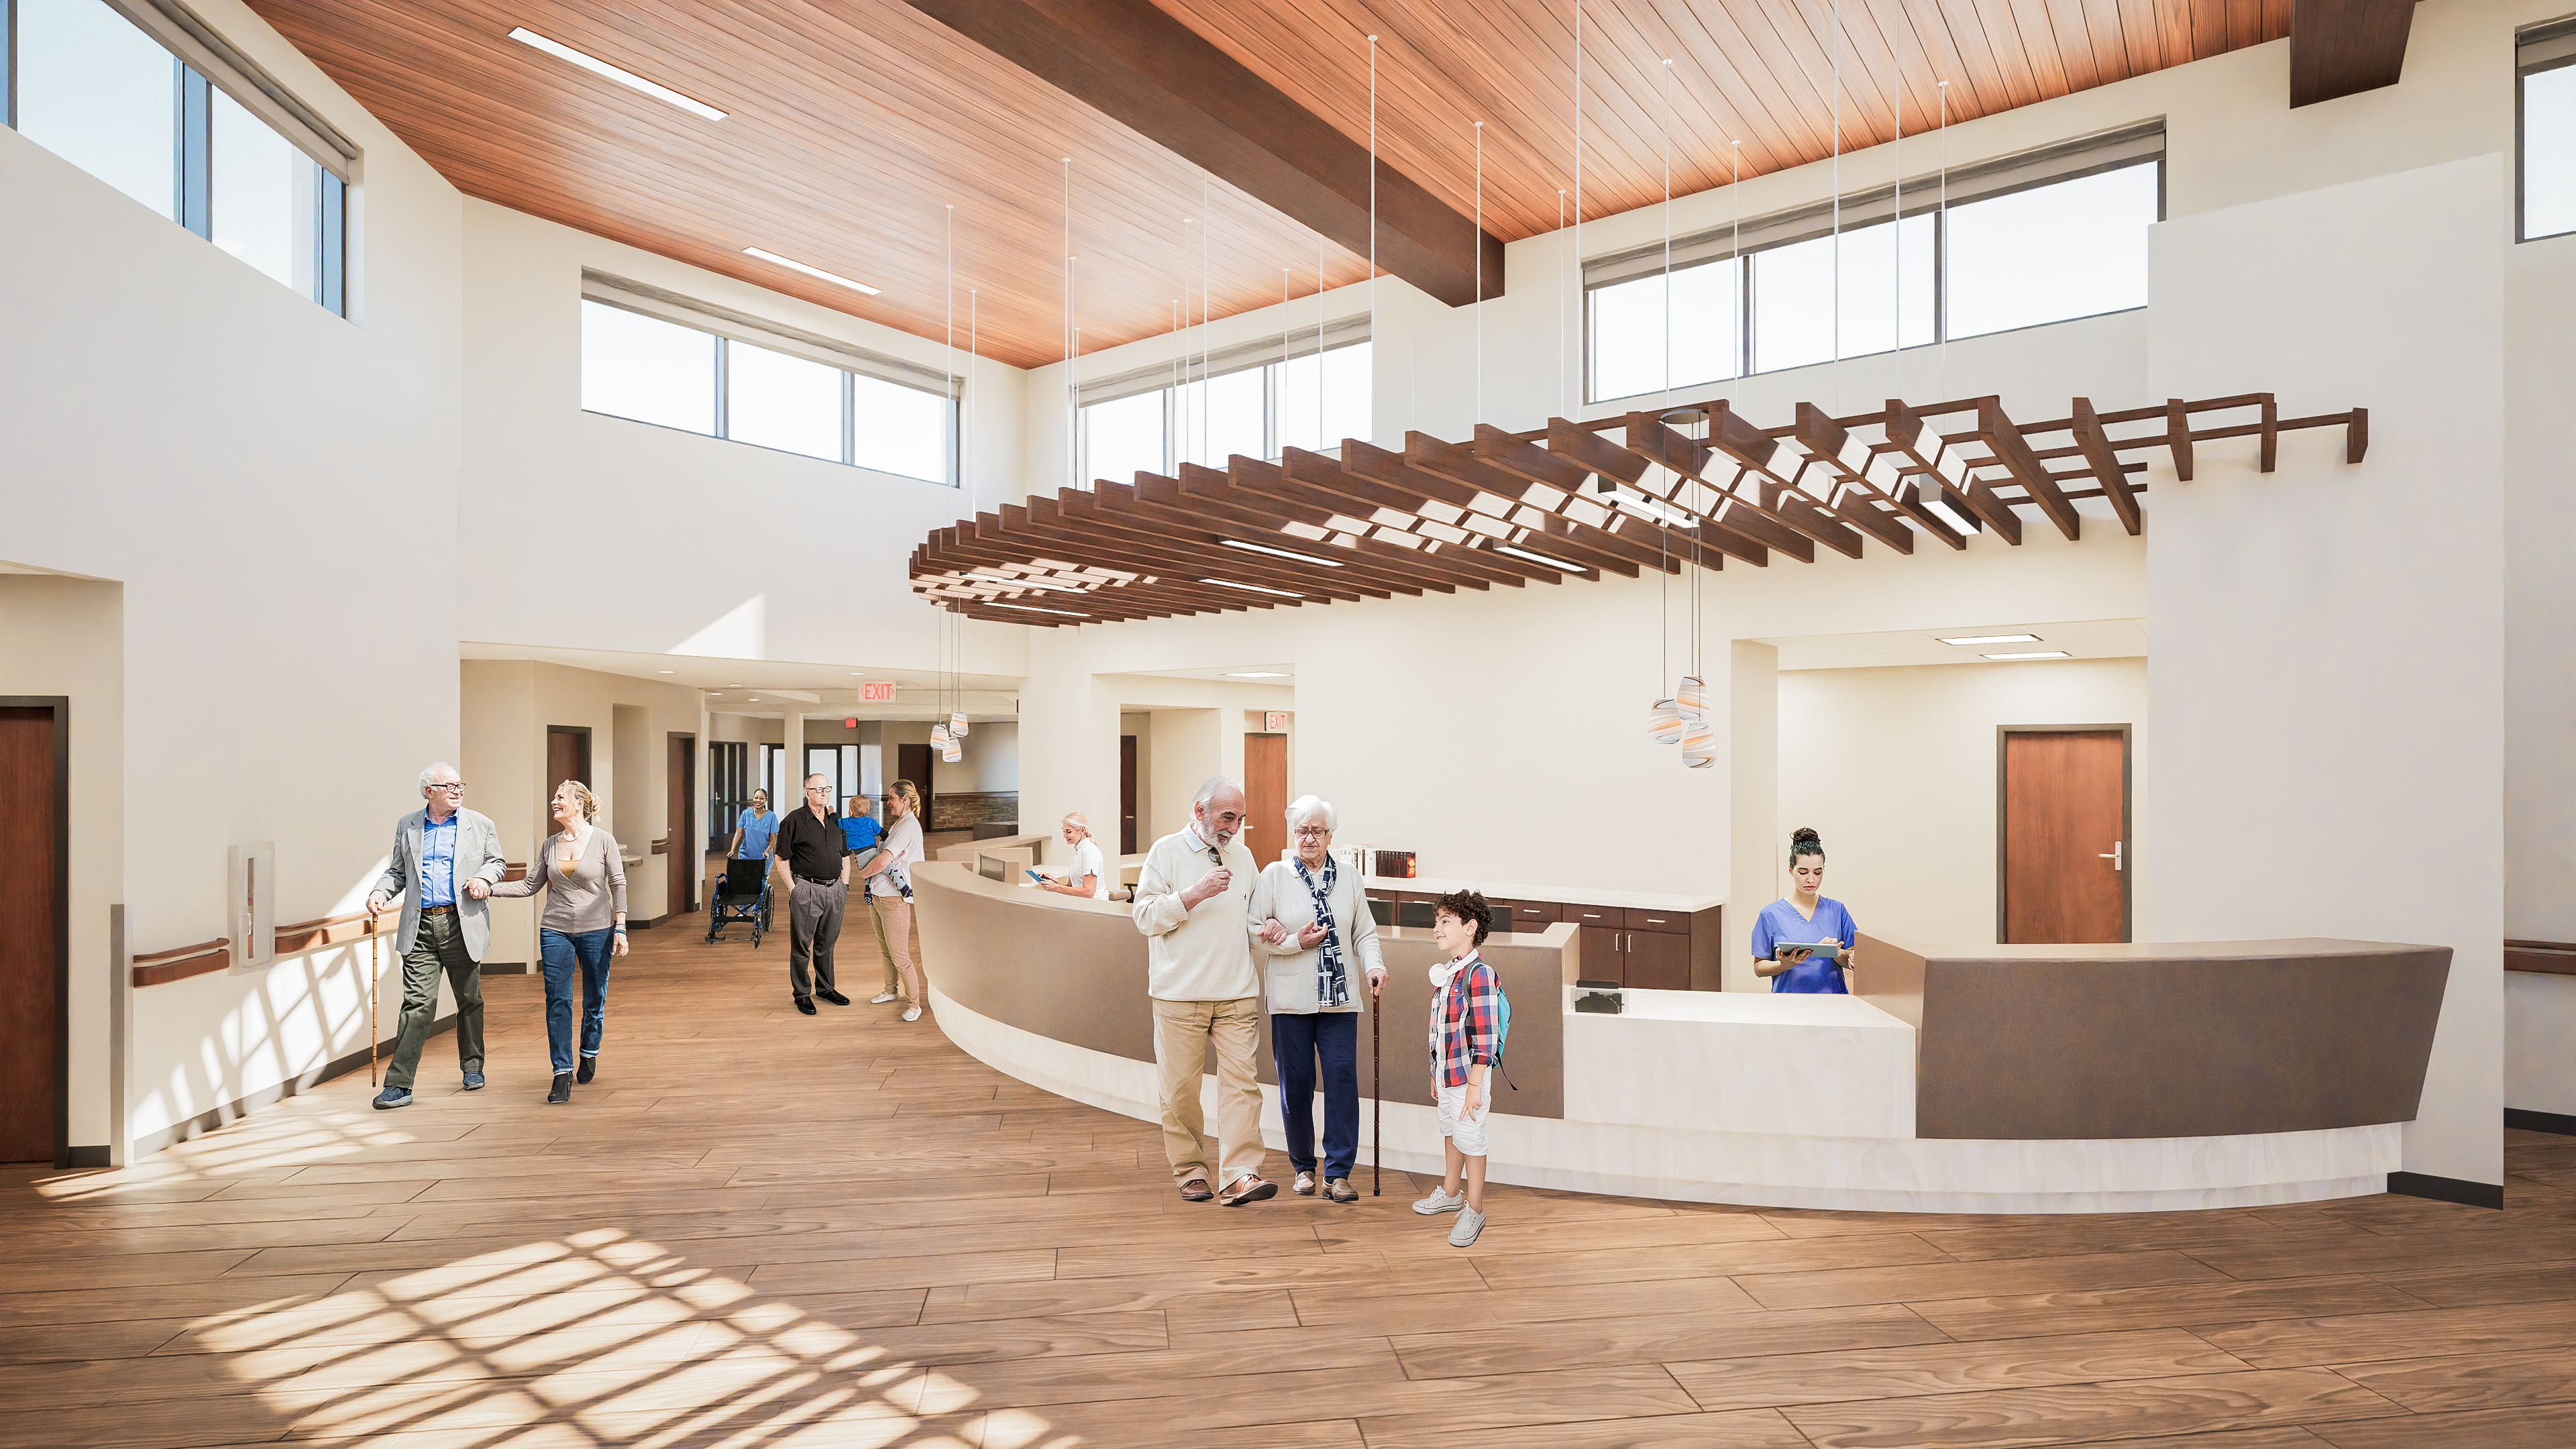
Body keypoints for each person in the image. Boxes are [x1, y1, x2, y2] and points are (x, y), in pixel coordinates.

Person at [1133, 777, 1273, 1207]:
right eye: (1228, 817)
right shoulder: (1165, 852)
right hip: (1180, 995)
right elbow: (1145, 918)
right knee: (1180, 1092)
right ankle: (1191, 1171)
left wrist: (1269, 928)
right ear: (1200, 811)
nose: (1234, 827)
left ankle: (1240, 1175)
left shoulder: (1244, 857)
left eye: (1240, 819)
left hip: (1236, 994)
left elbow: (1251, 921)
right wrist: (1196, 893)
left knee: (1243, 1087)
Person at [1250, 796, 1384, 1202]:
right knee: (1296, 1084)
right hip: (1290, 1000)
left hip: (1339, 1001)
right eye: (1302, 831)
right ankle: (1304, 1168)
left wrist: (1374, 965)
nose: (1309, 838)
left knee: (1342, 1079)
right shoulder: (1274, 876)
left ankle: (1338, 1173)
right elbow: (1253, 931)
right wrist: (1295, 941)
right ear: (1294, 834)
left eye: (1317, 831)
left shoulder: (1349, 878)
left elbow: (1364, 932)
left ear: (1330, 836)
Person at [364, 763, 511, 1110]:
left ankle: (472, 1066)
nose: (458, 791)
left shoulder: (480, 824)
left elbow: (497, 862)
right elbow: (397, 871)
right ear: (429, 792)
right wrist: (381, 891)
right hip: (420, 927)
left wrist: (485, 879)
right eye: (450, 786)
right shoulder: (408, 825)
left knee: (469, 999)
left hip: (462, 923)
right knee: (418, 1004)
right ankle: (398, 1085)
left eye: (461, 785)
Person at [488, 779, 627, 1104]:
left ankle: (589, 1049)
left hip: (597, 929)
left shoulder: (603, 840)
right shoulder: (550, 845)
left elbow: (618, 884)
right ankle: (561, 1073)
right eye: (554, 797)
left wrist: (620, 927)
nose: (554, 801)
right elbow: (529, 885)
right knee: (557, 999)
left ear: (579, 804)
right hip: (555, 928)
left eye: (560, 797)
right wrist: (490, 888)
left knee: (594, 997)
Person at [1413, 889, 1499, 1246]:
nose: (1437, 928)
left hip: (1468, 1079)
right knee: (1450, 1130)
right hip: (1448, 1075)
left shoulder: (1479, 974)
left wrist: (1475, 1086)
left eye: (1445, 921)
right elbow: (1440, 1030)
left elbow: (1487, 1035)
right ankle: (1451, 1192)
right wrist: (1436, 1073)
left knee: (1471, 1138)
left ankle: (1474, 1210)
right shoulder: (1449, 973)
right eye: (1437, 921)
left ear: (1470, 927)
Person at [771, 774, 853, 1016]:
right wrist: (794, 889)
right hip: (806, 889)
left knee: (827, 943)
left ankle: (826, 988)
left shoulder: (836, 821)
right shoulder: (794, 821)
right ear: (807, 792)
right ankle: (802, 994)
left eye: (827, 788)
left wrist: (844, 885)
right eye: (818, 789)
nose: (824, 792)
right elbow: (780, 858)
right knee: (802, 946)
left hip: (835, 890)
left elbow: (845, 855)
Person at [1752, 826, 1860, 994]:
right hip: (1788, 1003)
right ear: (1791, 870)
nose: (1811, 880)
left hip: (1833, 1001)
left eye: (1817, 872)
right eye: (1803, 872)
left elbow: (1852, 958)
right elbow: (1759, 968)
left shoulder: (1837, 910)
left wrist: (1838, 954)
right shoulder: (1770, 915)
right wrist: (1784, 965)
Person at [858, 779, 928, 1020]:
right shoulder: (899, 823)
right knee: (886, 951)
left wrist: (863, 873)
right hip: (879, 896)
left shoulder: (909, 827)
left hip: (894, 901)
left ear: (904, 799)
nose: (888, 802)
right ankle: (890, 991)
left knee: (900, 957)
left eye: (892, 798)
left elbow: (882, 862)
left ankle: (915, 1004)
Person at [1036, 811, 1110, 900]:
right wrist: (1054, 882)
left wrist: (1056, 888)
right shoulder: (1077, 852)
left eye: (1068, 832)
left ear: (1082, 830)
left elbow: (1088, 892)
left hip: (1095, 905)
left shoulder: (1089, 852)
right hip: (1081, 903)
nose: (1064, 835)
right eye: (1064, 831)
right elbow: (1071, 887)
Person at [730, 788, 777, 863]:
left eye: (761, 798)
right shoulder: (745, 814)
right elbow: (738, 834)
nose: (758, 800)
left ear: (766, 800)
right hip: (745, 856)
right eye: (756, 798)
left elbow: (773, 838)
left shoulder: (772, 817)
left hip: (764, 857)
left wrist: (767, 851)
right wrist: (732, 850)